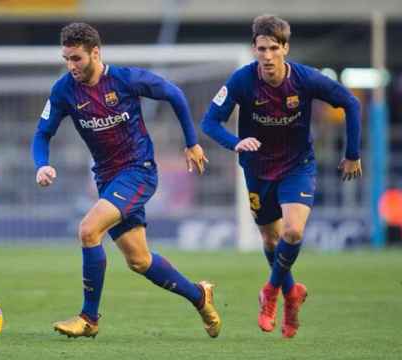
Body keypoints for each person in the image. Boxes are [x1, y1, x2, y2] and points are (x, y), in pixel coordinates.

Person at [32, 22, 221, 339]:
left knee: (88, 230)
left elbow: (174, 93)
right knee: (139, 260)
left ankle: (89, 319)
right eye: (66, 58)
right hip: (107, 179)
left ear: (95, 52)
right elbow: (42, 132)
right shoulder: (63, 90)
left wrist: (191, 142)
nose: (71, 66)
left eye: (76, 58)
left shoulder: (125, 79)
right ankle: (199, 295)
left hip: (139, 171)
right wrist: (42, 164)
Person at [201, 14, 362, 338]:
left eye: (274, 48)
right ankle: (291, 293)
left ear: (285, 48)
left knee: (292, 232)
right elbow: (209, 122)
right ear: (254, 49)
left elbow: (350, 103)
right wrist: (235, 143)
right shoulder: (241, 81)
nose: (267, 56)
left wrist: (352, 154)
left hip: (297, 166)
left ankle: (271, 292)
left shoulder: (305, 79)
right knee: (270, 240)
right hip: (258, 169)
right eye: (261, 49)